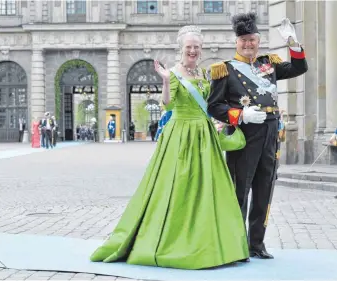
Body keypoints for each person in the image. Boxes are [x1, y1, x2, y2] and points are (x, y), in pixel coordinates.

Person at [90, 25, 249, 269]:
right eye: (189, 47)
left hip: (204, 135)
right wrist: (165, 81)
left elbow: (208, 104)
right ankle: (174, 241)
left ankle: (216, 244)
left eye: (196, 47)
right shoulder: (174, 73)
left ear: (201, 49)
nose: (193, 51)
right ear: (181, 49)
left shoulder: (204, 74)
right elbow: (167, 105)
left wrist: (217, 122)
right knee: (177, 187)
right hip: (181, 136)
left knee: (210, 188)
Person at [207, 13, 308, 259]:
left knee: (264, 188)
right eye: (243, 40)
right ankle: (237, 244)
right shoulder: (225, 70)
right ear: (236, 42)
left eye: (251, 39)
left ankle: (256, 244)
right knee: (239, 190)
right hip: (244, 135)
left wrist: (293, 44)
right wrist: (240, 115)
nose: (248, 44)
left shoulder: (268, 64)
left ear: (258, 40)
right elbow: (213, 106)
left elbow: (299, 67)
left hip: (270, 132)